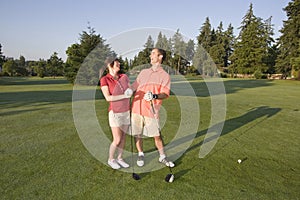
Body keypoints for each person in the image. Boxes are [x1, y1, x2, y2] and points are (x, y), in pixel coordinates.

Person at [131, 48, 175, 168]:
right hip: (136, 108)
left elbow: (165, 94)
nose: (151, 55)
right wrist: (129, 90)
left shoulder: (165, 76)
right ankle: (140, 153)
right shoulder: (144, 72)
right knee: (137, 133)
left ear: (160, 57)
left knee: (157, 135)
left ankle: (162, 156)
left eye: (154, 53)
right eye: (151, 53)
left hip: (151, 110)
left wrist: (154, 95)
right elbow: (135, 85)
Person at [100, 57, 133, 169]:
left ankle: (120, 158)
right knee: (117, 139)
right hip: (115, 112)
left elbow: (129, 88)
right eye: (117, 64)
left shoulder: (124, 77)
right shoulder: (105, 79)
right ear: (110, 65)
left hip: (126, 111)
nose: (119, 65)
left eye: (119, 63)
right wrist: (124, 95)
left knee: (123, 137)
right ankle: (111, 159)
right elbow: (108, 98)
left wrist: (130, 91)